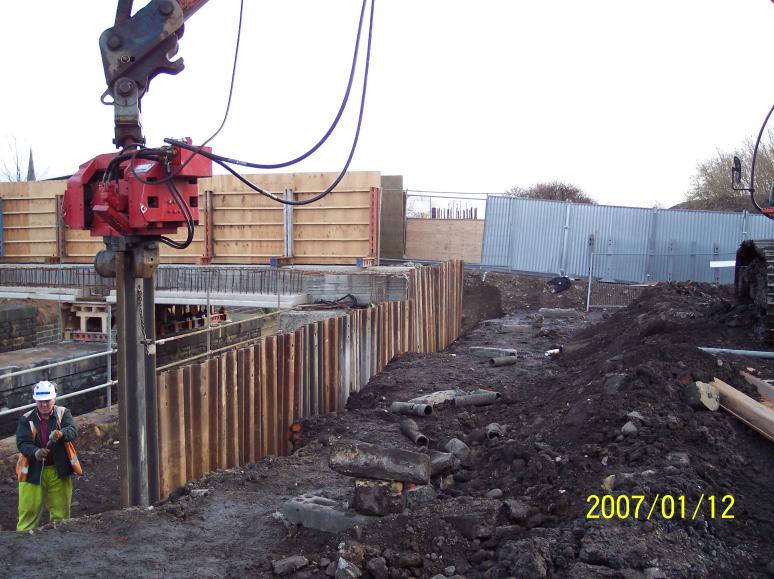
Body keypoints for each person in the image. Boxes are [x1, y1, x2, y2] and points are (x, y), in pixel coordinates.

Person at [15, 380, 78, 531]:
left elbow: (72, 431)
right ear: (35, 400)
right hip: (33, 472)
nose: (44, 405)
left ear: (54, 399)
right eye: (40, 401)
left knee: (61, 510)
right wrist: (35, 452)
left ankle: (59, 537)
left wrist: (61, 433)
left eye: (47, 401)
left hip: (58, 470)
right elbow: (22, 443)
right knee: (29, 509)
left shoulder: (63, 414)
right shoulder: (26, 419)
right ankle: (24, 538)